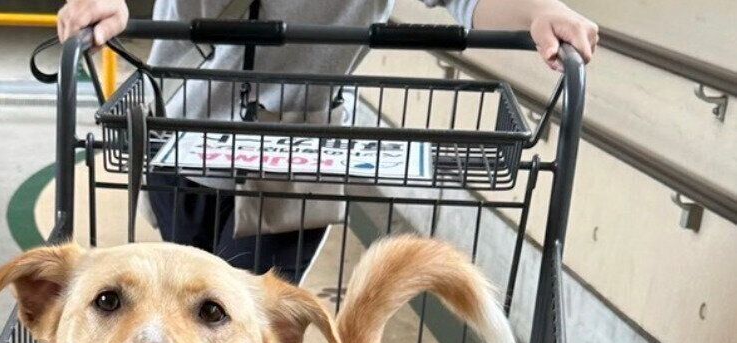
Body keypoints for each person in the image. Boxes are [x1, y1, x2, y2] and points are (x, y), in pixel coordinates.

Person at [57, 0, 598, 283]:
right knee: (181, 317)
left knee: (242, 335)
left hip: (294, 151)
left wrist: (539, 11)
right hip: (179, 137)